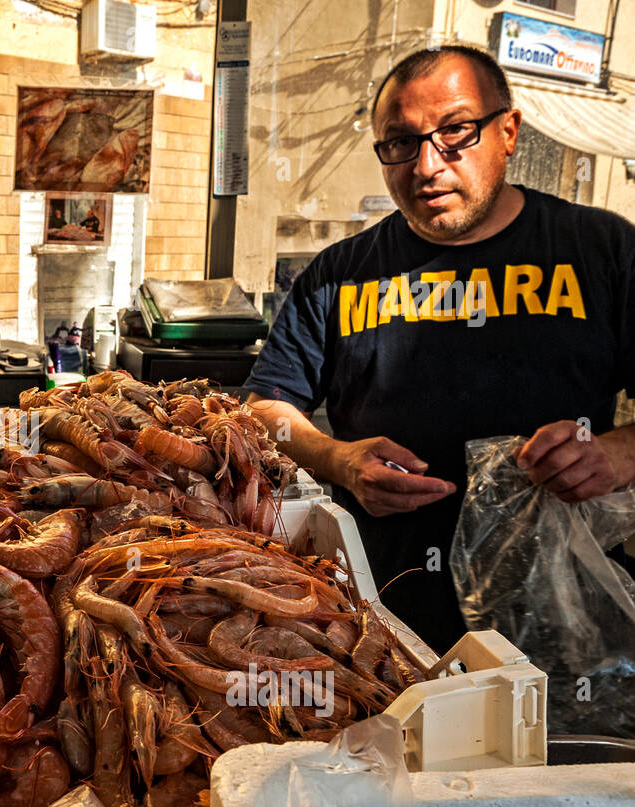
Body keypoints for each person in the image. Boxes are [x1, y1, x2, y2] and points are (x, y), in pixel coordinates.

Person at [242, 45, 635, 653]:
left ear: (508, 132)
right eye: (399, 142)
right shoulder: (337, 273)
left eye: (455, 131)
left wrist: (616, 453)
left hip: (563, 610)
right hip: (381, 614)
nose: (427, 164)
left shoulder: (602, 251)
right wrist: (337, 459)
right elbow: (264, 408)